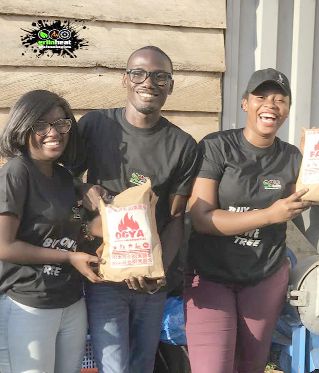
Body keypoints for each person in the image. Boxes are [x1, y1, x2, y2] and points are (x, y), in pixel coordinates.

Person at [69, 46, 199, 373]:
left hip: (149, 282)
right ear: (125, 80)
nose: (149, 82)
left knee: (143, 365)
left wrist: (160, 273)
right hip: (103, 273)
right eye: (139, 73)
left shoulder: (182, 145)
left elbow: (175, 218)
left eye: (160, 76)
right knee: (114, 366)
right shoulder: (96, 125)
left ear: (171, 85)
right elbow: (62, 178)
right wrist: (83, 188)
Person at [185, 68, 311, 373]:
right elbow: (201, 218)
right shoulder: (217, 147)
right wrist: (269, 215)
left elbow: (309, 204)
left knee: (250, 366)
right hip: (210, 275)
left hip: (264, 276)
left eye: (280, 99)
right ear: (245, 104)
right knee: (212, 367)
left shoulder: (293, 157)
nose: (271, 104)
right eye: (262, 97)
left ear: (288, 110)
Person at [0, 90, 103, 373]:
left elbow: (76, 231)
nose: (53, 132)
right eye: (41, 125)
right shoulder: (16, 173)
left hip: (70, 302)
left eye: (61, 123)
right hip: (28, 301)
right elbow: (4, 246)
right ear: (23, 127)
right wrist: (69, 259)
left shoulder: (63, 176)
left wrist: (107, 215)